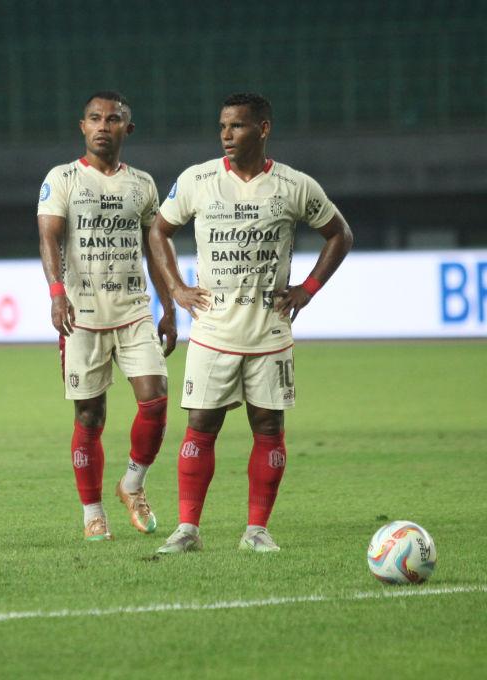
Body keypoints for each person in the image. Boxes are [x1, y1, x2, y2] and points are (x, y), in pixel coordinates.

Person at [147, 93, 353, 554]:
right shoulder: (197, 180)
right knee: (200, 425)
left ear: (263, 129)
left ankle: (257, 530)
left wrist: (307, 289)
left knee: (268, 427)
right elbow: (159, 229)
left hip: (269, 330)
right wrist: (178, 289)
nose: (226, 134)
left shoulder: (294, 185)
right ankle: (187, 530)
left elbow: (340, 233)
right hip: (213, 329)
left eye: (238, 126)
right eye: (222, 126)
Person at [37, 92, 177, 541]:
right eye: (95, 118)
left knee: (155, 400)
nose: (103, 125)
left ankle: (132, 484)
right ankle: (92, 513)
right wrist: (57, 294)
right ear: (83, 126)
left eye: (112, 119)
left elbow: (156, 249)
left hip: (134, 311)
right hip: (82, 315)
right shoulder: (62, 179)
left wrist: (170, 305)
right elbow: (49, 238)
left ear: (126, 129)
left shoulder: (142, 185)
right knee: (90, 416)